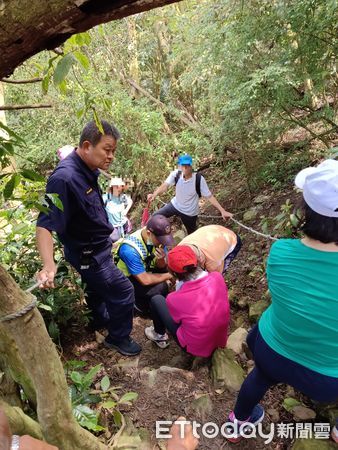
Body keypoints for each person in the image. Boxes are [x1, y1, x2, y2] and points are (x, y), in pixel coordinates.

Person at [225, 159, 338, 443]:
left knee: (260, 377)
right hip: (325, 379)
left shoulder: (280, 252)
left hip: (269, 350)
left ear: (305, 210)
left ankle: (239, 421)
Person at [36, 120, 141, 357]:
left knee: (95, 289)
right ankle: (118, 338)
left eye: (113, 150)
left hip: (96, 249)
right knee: (123, 291)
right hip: (90, 255)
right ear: (86, 146)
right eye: (107, 149)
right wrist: (48, 263)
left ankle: (98, 321)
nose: (111, 156)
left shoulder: (88, 168)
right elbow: (44, 224)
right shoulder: (63, 179)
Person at [145, 245, 230, 353]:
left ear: (173, 273)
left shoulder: (174, 299)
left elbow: (177, 319)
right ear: (197, 261)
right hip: (219, 339)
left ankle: (159, 334)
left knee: (157, 300)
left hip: (194, 348)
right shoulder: (217, 277)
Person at [147, 154, 233, 234]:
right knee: (155, 217)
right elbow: (165, 186)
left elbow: (209, 196)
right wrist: (154, 194)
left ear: (190, 166)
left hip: (189, 212)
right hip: (175, 205)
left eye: (186, 166)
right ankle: (160, 238)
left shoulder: (198, 179)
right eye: (182, 166)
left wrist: (222, 211)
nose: (184, 168)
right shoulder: (176, 174)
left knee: (192, 234)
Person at [115, 214, 174, 317]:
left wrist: (161, 260)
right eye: (160, 240)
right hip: (128, 278)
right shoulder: (130, 250)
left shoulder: (156, 238)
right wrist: (170, 275)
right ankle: (139, 306)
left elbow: (161, 267)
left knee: (166, 276)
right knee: (161, 287)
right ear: (148, 233)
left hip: (146, 269)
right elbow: (145, 280)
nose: (162, 243)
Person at [102, 177, 133, 241]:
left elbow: (130, 202)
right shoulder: (106, 198)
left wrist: (126, 210)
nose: (119, 188)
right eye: (117, 186)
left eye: (120, 186)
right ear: (113, 187)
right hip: (111, 228)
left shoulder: (123, 197)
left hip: (122, 226)